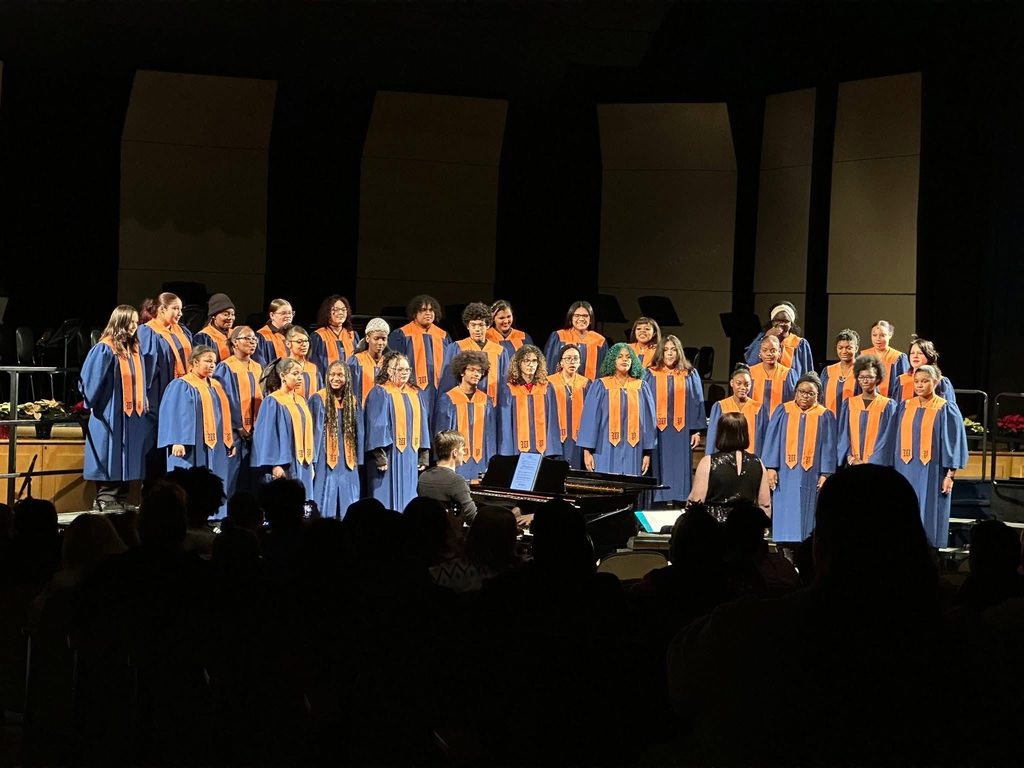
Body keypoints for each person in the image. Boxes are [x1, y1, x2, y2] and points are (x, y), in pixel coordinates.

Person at [79, 305, 154, 511]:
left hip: (133, 415)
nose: (133, 326)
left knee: (129, 454)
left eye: (136, 322)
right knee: (110, 453)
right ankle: (105, 498)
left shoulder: (134, 349)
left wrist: (143, 397)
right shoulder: (105, 348)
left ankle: (121, 497)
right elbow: (91, 380)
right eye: (129, 322)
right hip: (110, 412)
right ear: (119, 322)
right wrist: (91, 402)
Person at [893, 364, 968, 548]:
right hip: (905, 468)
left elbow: (953, 443)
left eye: (925, 381)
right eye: (916, 381)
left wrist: (950, 475)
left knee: (930, 514)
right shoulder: (904, 406)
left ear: (935, 382)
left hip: (933, 471)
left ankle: (929, 552)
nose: (919, 385)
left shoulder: (945, 408)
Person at [157, 346, 236, 515]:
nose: (212, 365)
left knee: (215, 479)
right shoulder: (181, 385)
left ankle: (215, 518)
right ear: (194, 362)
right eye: (207, 361)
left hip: (215, 445)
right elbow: (173, 413)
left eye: (214, 362)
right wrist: (177, 440)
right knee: (189, 482)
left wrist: (228, 439)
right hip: (190, 445)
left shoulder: (216, 386)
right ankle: (188, 517)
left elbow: (224, 416)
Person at [763, 371, 837, 543]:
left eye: (811, 393)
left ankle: (806, 547)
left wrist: (826, 473)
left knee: (809, 513)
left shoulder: (824, 414)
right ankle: (784, 547)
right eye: (802, 391)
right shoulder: (783, 410)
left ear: (818, 395)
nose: (805, 396)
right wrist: (771, 467)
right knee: (785, 511)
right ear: (795, 392)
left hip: (812, 473)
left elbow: (828, 445)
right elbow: (772, 439)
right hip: (785, 472)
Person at [364, 350, 431, 512]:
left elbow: (422, 424)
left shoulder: (415, 393)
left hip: (410, 455)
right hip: (388, 457)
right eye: (399, 369)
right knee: (385, 501)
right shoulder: (380, 392)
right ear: (388, 370)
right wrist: (380, 456)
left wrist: (423, 454)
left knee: (409, 498)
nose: (404, 373)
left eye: (407, 370)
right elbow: (376, 425)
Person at [577, 344, 656, 475]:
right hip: (604, 448)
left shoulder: (641, 387)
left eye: (628, 357)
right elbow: (590, 420)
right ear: (612, 360)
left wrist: (647, 452)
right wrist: (587, 451)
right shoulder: (600, 385)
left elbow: (648, 422)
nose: (624, 360)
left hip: (634, 448)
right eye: (620, 357)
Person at [645, 335, 705, 503]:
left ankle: (679, 503)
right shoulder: (650, 373)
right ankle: (657, 504)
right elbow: (644, 405)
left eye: (673, 350)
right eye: (665, 350)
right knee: (659, 468)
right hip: (657, 431)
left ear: (679, 352)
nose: (669, 354)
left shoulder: (689, 373)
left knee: (680, 470)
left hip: (682, 431)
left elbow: (696, 402)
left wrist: (696, 430)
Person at [689, 412, 772, 522]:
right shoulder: (758, 462)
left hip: (715, 529)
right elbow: (765, 504)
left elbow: (696, 501)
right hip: (747, 528)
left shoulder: (708, 462)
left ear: (721, 433)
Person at [251, 357, 315, 498]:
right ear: (282, 376)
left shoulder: (301, 400)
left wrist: (311, 460)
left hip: (303, 461)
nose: (299, 378)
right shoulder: (273, 401)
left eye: (301, 374)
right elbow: (267, 436)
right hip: (285, 463)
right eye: (295, 374)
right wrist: (275, 464)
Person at [212, 326, 264, 496]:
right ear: (235, 342)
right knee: (230, 473)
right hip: (233, 431)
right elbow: (224, 399)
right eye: (247, 338)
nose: (252, 342)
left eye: (254, 339)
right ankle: (223, 514)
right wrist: (238, 425)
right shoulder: (225, 367)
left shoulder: (258, 367)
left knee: (252, 475)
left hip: (256, 430)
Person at [309, 361, 363, 520]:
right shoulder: (318, 398)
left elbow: (360, 431)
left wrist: (358, 458)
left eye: (340, 375)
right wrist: (313, 459)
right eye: (332, 374)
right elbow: (313, 431)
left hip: (348, 458)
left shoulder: (352, 401)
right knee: (325, 495)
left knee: (350, 498)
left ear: (347, 377)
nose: (335, 378)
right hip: (325, 458)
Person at [432, 351, 497, 482]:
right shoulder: (448, 398)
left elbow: (490, 436)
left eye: (479, 371)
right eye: (471, 370)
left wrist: (491, 462)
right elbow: (442, 436)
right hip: (455, 461)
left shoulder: (486, 400)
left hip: (482, 461)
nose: (476, 374)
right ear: (462, 372)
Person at [387, 294, 451, 414]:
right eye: (423, 310)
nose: (428, 313)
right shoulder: (402, 334)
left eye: (431, 310)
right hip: (412, 388)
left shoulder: (443, 336)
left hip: (439, 390)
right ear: (414, 313)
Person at [438, 302, 510, 407]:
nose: (477, 329)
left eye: (481, 325)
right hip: (462, 406)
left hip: (492, 408)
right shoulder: (457, 348)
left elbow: (504, 387)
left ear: (488, 325)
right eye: (473, 325)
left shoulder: (500, 352)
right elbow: (448, 383)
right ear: (467, 326)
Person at [836, 353, 897, 468]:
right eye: (861, 377)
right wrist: (851, 458)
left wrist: (872, 461)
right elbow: (844, 435)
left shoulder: (887, 405)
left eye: (869, 377)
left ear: (878, 379)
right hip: (853, 464)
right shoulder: (849, 404)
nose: (865, 381)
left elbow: (887, 439)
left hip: (878, 466)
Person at [136, 292, 193, 412]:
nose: (180, 313)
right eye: (175, 308)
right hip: (159, 392)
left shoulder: (183, 331)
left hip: (184, 389)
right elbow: (146, 365)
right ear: (162, 310)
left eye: (180, 309)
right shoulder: (148, 332)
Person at [497, 344, 556, 456]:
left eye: (534, 361)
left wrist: (551, 449)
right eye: (526, 361)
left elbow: (552, 421)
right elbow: (505, 425)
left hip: (543, 448)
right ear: (519, 363)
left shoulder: (546, 388)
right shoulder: (509, 389)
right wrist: (507, 451)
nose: (531, 364)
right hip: (516, 448)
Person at [417, 430, 478, 525]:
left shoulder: (423, 476)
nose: (464, 453)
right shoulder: (456, 481)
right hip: (447, 536)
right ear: (455, 453)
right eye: (463, 449)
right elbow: (473, 518)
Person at [545, 344, 591, 469]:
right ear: (561, 362)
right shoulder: (549, 382)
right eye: (568, 358)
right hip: (555, 438)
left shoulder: (585, 383)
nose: (572, 362)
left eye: (576, 358)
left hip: (578, 439)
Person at [706, 363, 767, 456]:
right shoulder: (720, 406)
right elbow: (712, 437)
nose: (743, 388)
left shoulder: (759, 409)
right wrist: (709, 459)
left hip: (751, 459)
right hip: (725, 458)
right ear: (731, 383)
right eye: (738, 383)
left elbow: (764, 439)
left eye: (747, 384)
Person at [743, 300, 814, 376]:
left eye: (785, 321)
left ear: (791, 324)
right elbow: (751, 361)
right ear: (772, 322)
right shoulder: (762, 337)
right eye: (777, 320)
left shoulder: (800, 343)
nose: (781, 324)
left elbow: (807, 372)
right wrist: (766, 337)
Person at [543, 300, 608, 382]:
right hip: (561, 388)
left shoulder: (599, 341)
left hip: (590, 389)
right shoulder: (559, 336)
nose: (581, 319)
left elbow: (604, 371)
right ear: (571, 318)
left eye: (585, 316)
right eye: (577, 315)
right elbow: (550, 363)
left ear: (590, 319)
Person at [894, 337, 957, 404]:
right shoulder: (901, 380)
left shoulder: (940, 381)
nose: (915, 356)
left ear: (929, 356)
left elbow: (946, 409)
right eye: (912, 353)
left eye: (920, 353)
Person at [309, 294, 359, 379]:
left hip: (349, 384)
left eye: (343, 310)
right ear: (327, 312)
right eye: (335, 309)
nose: (340, 313)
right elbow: (314, 365)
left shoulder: (352, 335)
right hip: (327, 383)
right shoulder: (318, 336)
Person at [349, 317, 390, 405]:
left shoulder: (389, 362)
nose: (380, 342)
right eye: (376, 338)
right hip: (361, 410)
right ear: (367, 338)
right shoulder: (356, 361)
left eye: (383, 339)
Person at [819, 329, 860, 415]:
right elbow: (820, 397)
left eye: (849, 348)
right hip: (830, 420)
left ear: (856, 348)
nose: (844, 351)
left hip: (852, 420)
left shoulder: (862, 371)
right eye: (840, 348)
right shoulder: (828, 371)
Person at [866, 319, 910, 397]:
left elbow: (905, 385)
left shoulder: (898, 358)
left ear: (890, 335)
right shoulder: (863, 356)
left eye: (882, 335)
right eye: (874, 335)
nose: (878, 338)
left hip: (892, 403)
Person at [192, 293, 235, 362]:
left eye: (232, 314)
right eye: (226, 314)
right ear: (213, 316)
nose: (230, 318)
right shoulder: (204, 337)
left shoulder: (235, 334)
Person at [283, 324, 321, 399]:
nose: (304, 345)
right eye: (299, 341)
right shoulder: (282, 367)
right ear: (288, 344)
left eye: (306, 341)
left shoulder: (313, 368)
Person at [253, 298, 293, 367]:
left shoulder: (293, 335)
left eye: (290, 313)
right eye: (283, 313)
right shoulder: (262, 336)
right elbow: (260, 365)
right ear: (272, 315)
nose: (288, 316)